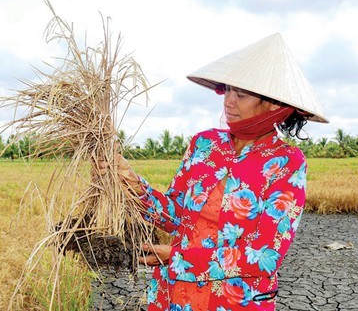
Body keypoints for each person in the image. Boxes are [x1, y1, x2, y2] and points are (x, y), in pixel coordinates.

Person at [113, 33, 329, 310]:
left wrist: (178, 259)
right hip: (177, 296)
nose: (228, 101)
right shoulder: (204, 144)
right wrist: (129, 179)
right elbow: (174, 216)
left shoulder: (285, 161)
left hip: (235, 300)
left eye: (241, 94)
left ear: (274, 104)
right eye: (227, 90)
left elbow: (266, 255)